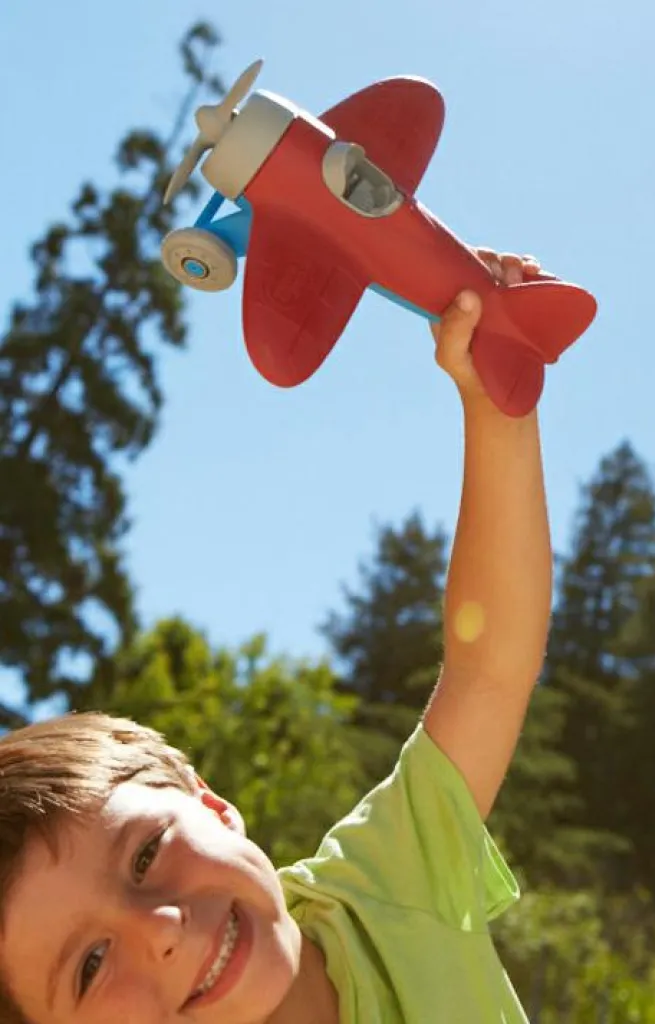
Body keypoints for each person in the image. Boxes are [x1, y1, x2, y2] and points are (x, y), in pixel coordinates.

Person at [0, 249, 555, 1023]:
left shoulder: (380, 889)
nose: (158, 930)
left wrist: (499, 404)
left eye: (147, 853)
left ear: (217, 807)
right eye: (90, 966)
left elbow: (488, 669)